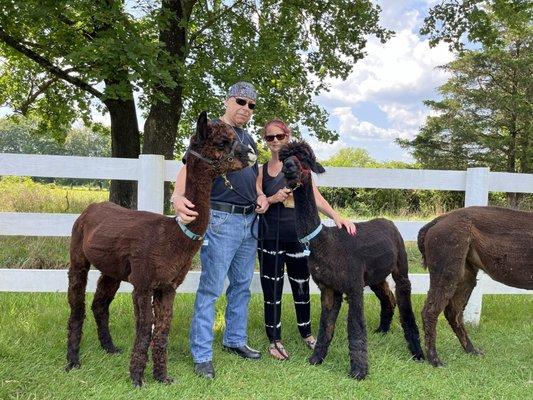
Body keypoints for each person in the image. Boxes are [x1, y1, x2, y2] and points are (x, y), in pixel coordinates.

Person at [171, 82, 269, 379]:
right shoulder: (210, 131)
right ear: (228, 100)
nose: (246, 108)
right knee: (212, 288)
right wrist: (176, 197)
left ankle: (235, 340)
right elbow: (188, 168)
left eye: (252, 105)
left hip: (249, 221)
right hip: (221, 219)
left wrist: (261, 195)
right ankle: (202, 354)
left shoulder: (248, 139)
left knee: (241, 286)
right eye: (241, 101)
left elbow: (253, 176)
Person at [256, 119, 356, 360]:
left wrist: (337, 216)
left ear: (287, 136)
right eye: (270, 138)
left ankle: (307, 333)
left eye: (279, 136)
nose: (275, 141)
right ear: (266, 141)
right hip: (270, 235)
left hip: (298, 235)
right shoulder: (261, 170)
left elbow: (316, 197)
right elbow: (259, 200)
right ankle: (274, 339)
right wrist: (271, 198)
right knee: (272, 287)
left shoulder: (300, 167)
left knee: (301, 285)